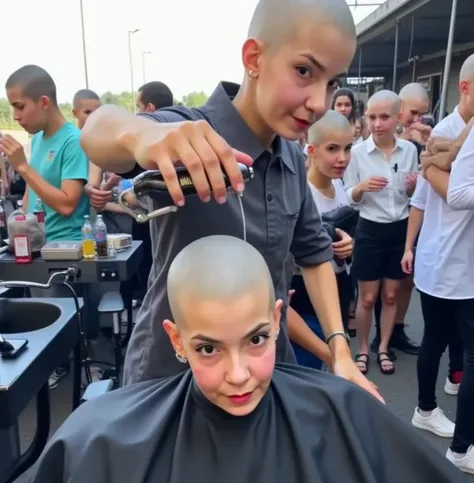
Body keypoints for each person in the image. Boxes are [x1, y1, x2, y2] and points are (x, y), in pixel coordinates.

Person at [3, 235, 474, 483]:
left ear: (276, 318)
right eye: (208, 348)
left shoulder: (343, 419)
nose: (238, 374)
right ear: (176, 340)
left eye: (256, 340)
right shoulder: (103, 445)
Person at [81, 0, 379, 397]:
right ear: (254, 57)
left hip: (261, 375)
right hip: (172, 383)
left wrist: (339, 349)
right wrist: (142, 136)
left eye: (330, 83)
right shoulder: (187, 132)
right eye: (304, 71)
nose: (319, 103)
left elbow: (314, 252)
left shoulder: (291, 157)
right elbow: (99, 128)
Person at [0, 65, 95, 389]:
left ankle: (68, 377)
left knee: (59, 324)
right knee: (33, 318)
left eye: (19, 106)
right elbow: (31, 193)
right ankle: (45, 370)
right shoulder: (38, 139)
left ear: (43, 102)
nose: (16, 115)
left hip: (64, 249)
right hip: (34, 247)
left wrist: (23, 168)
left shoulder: (74, 141)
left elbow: (68, 203)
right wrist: (19, 229)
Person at [401, 58, 474, 472]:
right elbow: (424, 201)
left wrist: (430, 165)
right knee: (437, 340)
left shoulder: (448, 138)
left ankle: (442, 396)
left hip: (457, 262)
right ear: (464, 88)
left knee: (450, 342)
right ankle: (432, 414)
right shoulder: (446, 133)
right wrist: (410, 246)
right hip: (447, 260)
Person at [344, 90, 418, 376]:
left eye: (384, 117)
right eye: (372, 117)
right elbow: (349, 197)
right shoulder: (358, 153)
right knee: (367, 298)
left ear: (398, 117)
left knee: (390, 296)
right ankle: (363, 349)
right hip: (370, 230)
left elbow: (410, 195)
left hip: (399, 229)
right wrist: (361, 187)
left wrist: (412, 185)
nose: (377, 123)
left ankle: (383, 347)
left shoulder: (410, 150)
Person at [290, 110, 355, 369]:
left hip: (338, 290)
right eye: (332, 149)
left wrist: (350, 245)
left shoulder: (338, 186)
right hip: (305, 298)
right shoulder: (299, 195)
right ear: (312, 150)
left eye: (348, 148)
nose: (342, 158)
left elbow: (347, 235)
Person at [372, 82, 431, 357]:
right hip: (377, 222)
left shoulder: (415, 145)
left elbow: (415, 187)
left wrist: (413, 183)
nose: (417, 120)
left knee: (404, 280)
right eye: (415, 113)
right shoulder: (377, 139)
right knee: (378, 283)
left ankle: (396, 329)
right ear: (401, 108)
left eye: (422, 115)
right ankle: (378, 336)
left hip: (409, 218)